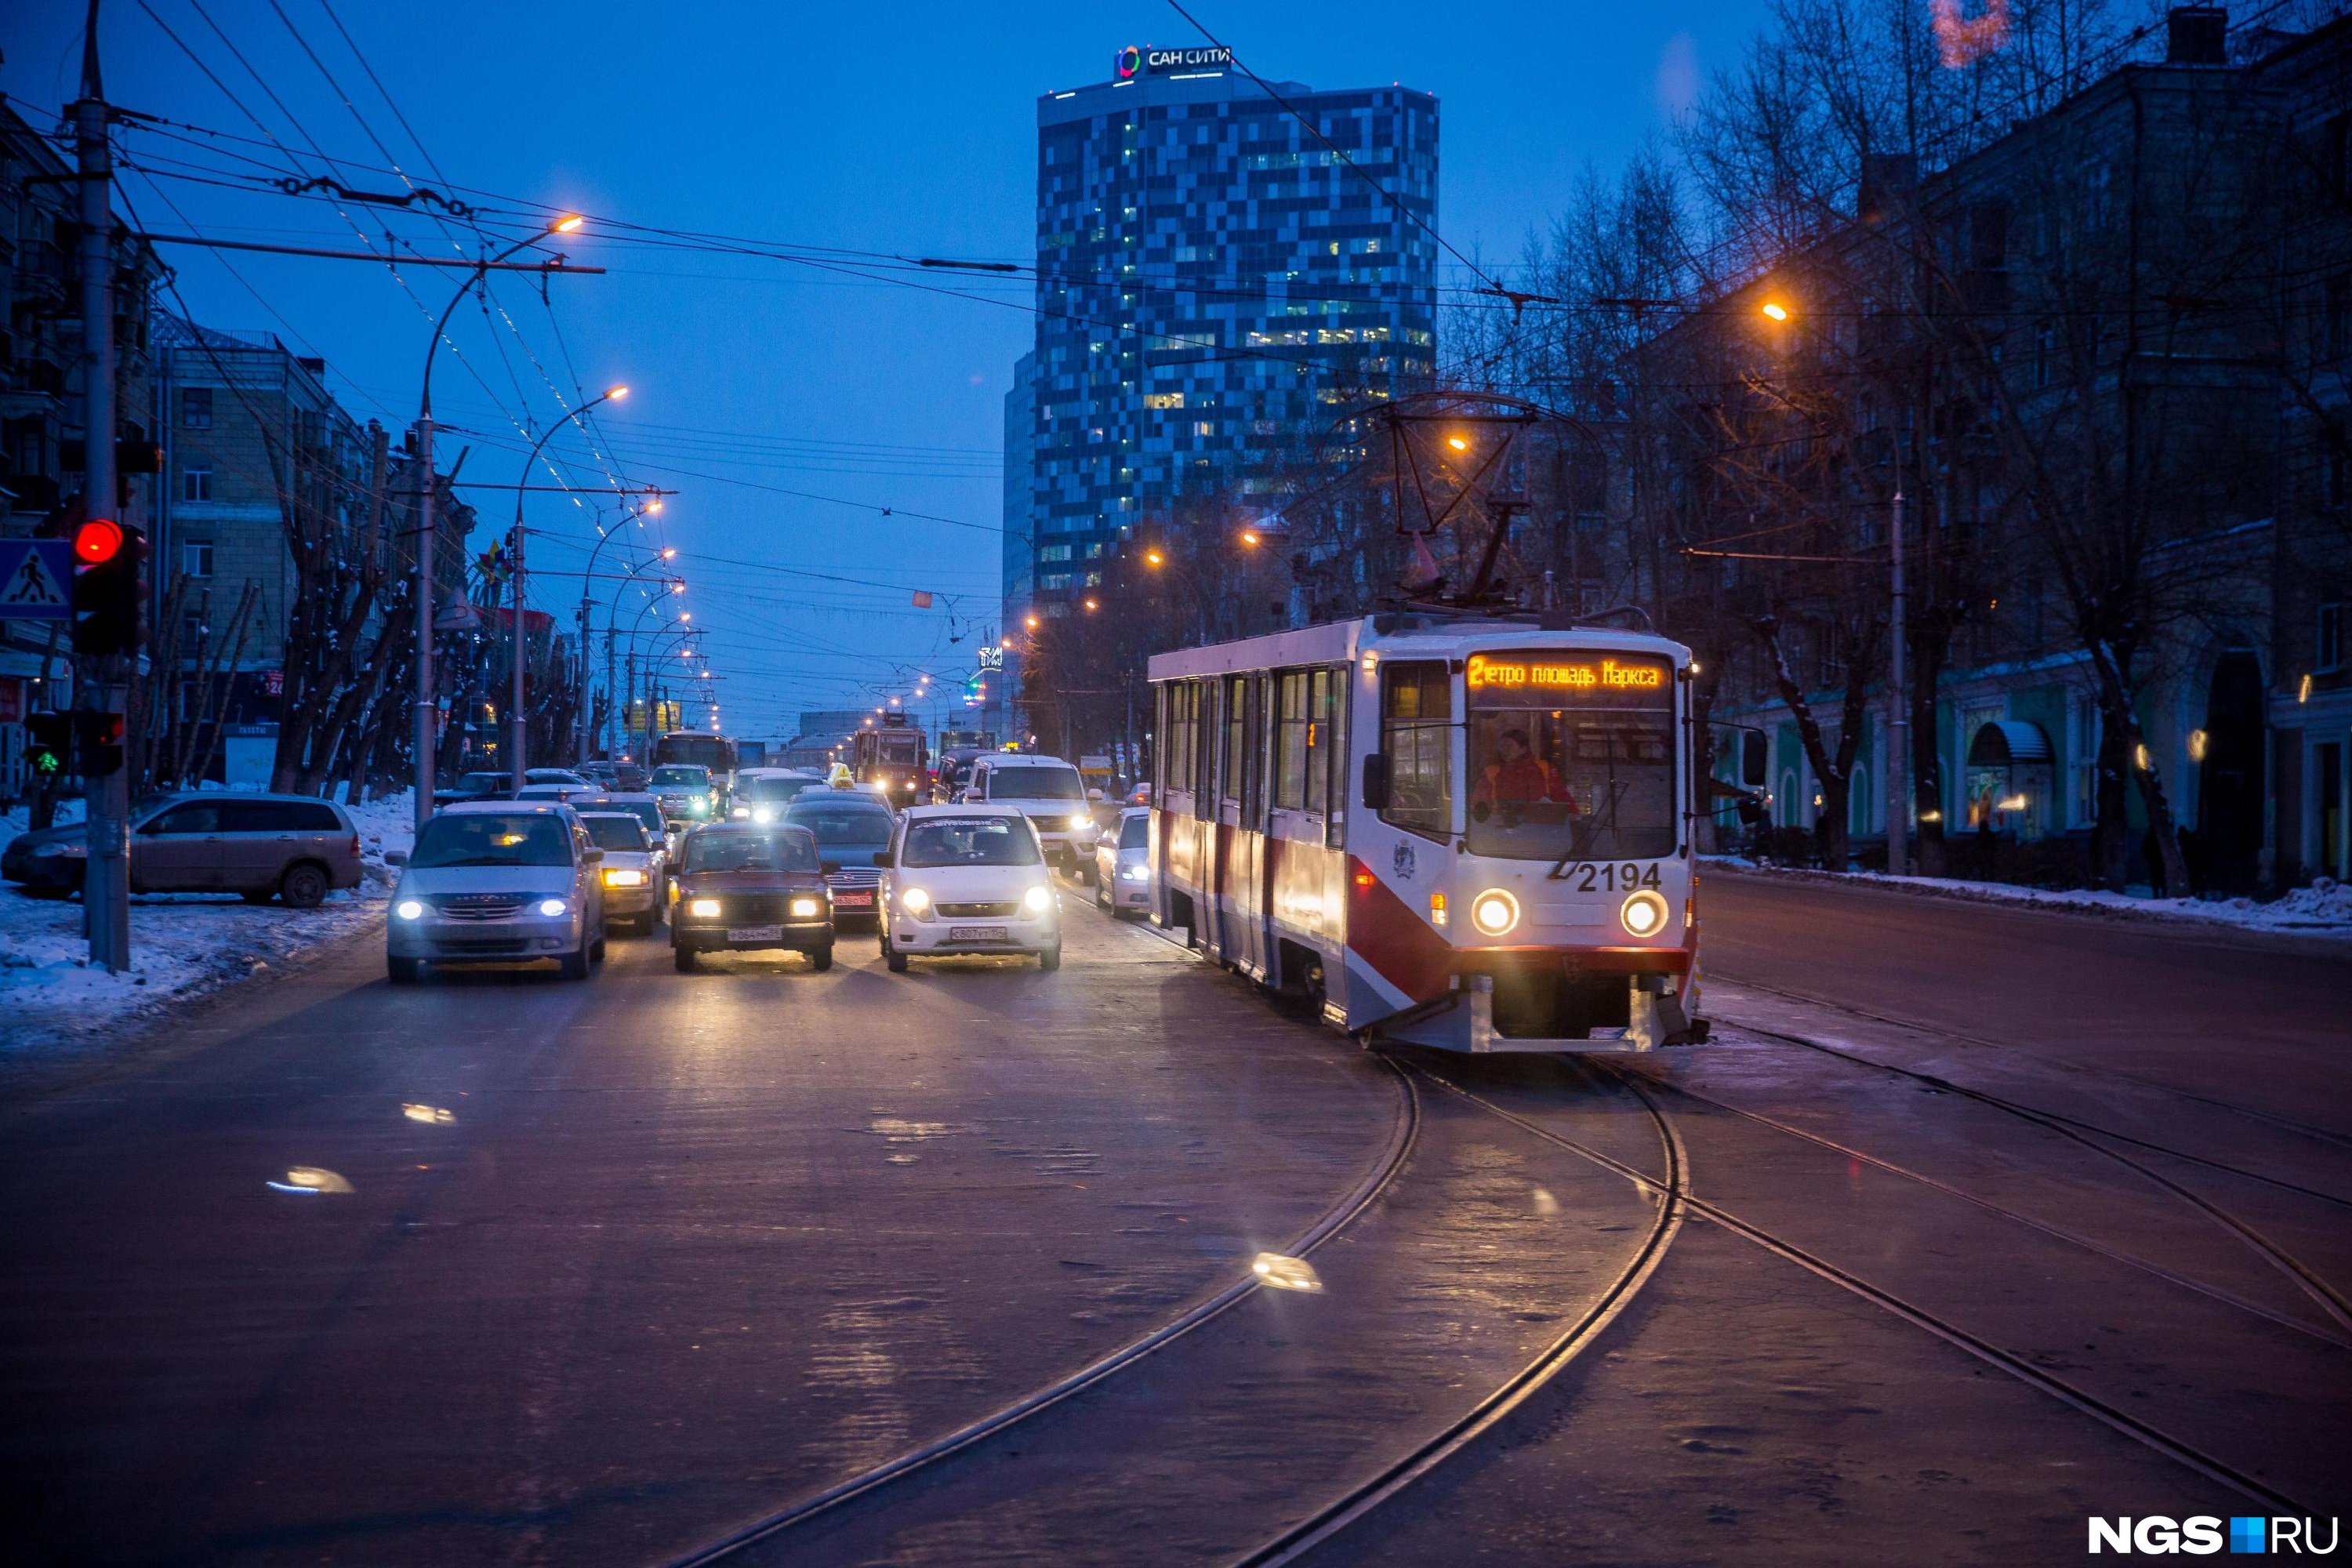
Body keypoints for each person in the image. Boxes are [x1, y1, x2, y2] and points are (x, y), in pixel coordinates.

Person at [1475, 727, 1578, 811]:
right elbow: (1479, 801)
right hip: (1500, 827)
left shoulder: (1544, 768)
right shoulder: (1491, 771)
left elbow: (1561, 796)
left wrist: (1574, 815)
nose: (1504, 750)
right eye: (1502, 746)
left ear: (1523, 750)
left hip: (1539, 827)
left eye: (1509, 746)